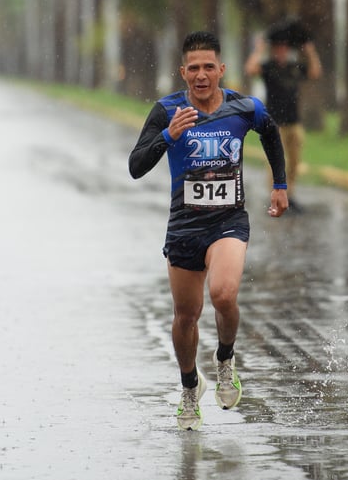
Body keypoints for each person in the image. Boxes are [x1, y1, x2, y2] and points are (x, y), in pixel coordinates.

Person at [128, 31, 289, 431]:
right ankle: (188, 388)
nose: (201, 75)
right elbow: (135, 166)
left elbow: (271, 133)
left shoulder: (243, 107)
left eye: (208, 67)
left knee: (223, 293)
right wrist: (169, 137)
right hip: (184, 226)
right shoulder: (166, 111)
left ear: (221, 69)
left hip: (228, 221)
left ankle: (225, 360)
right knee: (187, 315)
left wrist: (281, 185)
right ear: (183, 72)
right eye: (193, 68)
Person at [244, 22, 322, 212]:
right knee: (275, 162)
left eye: (285, 47)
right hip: (274, 123)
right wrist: (260, 49)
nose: (281, 51)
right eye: (278, 47)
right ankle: (276, 197)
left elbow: (315, 72)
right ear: (274, 49)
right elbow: (250, 69)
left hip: (294, 121)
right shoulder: (268, 67)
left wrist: (309, 51)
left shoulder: (295, 67)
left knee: (294, 161)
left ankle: (291, 195)